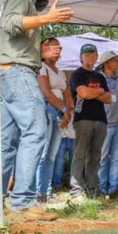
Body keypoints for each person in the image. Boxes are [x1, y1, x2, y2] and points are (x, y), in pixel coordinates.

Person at [0, 0, 73, 219]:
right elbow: (11, 23)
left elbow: (11, 33)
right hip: (18, 74)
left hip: (7, 73)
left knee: (6, 142)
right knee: (36, 130)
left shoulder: (21, 0)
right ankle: (23, 201)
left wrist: (37, 50)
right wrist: (46, 18)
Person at [69, 44, 112, 201]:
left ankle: (93, 190)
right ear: (81, 57)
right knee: (80, 154)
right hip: (83, 119)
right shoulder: (77, 74)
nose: (90, 56)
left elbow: (109, 99)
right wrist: (100, 91)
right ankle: (76, 191)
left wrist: (95, 93)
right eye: (87, 54)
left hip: (101, 120)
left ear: (96, 57)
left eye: (93, 54)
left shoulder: (101, 77)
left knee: (95, 156)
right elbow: (84, 93)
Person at [35, 37, 73, 202]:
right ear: (44, 48)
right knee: (43, 154)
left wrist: (68, 111)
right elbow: (46, 92)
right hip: (48, 109)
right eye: (53, 48)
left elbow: (66, 93)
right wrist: (63, 109)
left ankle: (47, 192)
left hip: (61, 110)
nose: (56, 51)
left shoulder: (61, 71)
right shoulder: (41, 67)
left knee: (52, 154)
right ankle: (38, 193)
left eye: (59, 48)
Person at [96, 50, 118, 199]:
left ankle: (114, 189)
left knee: (117, 158)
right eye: (115, 60)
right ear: (106, 63)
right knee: (102, 157)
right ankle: (101, 188)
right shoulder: (98, 77)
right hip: (104, 124)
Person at [53, 118, 75, 190]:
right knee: (59, 163)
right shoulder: (62, 108)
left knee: (74, 163)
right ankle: (57, 184)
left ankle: (72, 184)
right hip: (61, 136)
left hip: (74, 136)